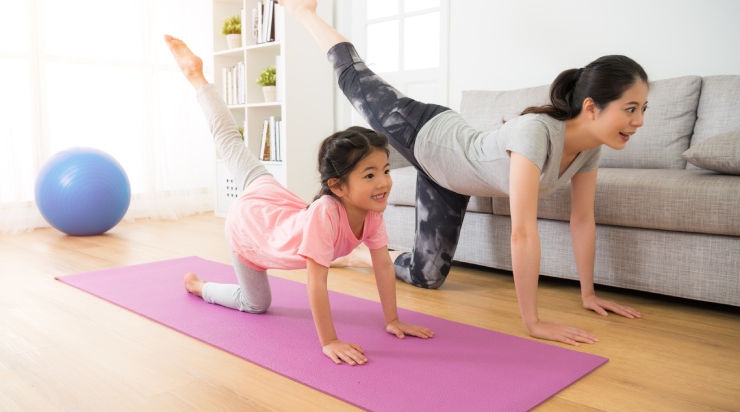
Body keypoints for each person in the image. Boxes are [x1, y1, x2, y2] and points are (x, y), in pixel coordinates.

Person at [278, 0, 644, 346]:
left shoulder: (589, 149)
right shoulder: (537, 132)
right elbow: (522, 234)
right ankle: (304, 11)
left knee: (428, 277)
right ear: (593, 107)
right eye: (630, 109)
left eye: (643, 108)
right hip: (425, 132)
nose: (638, 121)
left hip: (449, 181)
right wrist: (533, 322)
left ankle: (355, 257)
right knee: (355, 79)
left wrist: (588, 294)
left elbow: (581, 220)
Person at [163, 34, 433, 366]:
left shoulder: (370, 208)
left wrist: (392, 319)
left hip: (270, 196)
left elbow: (381, 263)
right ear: (338, 186)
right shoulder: (325, 214)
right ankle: (201, 288)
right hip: (250, 227)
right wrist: (329, 341)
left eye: (386, 170)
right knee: (255, 304)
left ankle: (197, 77)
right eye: (369, 175)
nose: (384, 183)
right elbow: (317, 282)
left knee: (232, 143)